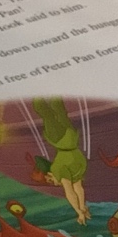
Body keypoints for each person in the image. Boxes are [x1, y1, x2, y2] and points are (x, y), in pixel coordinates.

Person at [30, 96, 91, 226]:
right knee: (51, 113)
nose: (56, 183)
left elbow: (72, 191)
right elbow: (75, 189)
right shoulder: (60, 168)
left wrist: (80, 211)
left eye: (51, 181)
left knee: (53, 113)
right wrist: (80, 209)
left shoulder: (58, 168)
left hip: (69, 138)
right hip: (63, 141)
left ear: (49, 174)